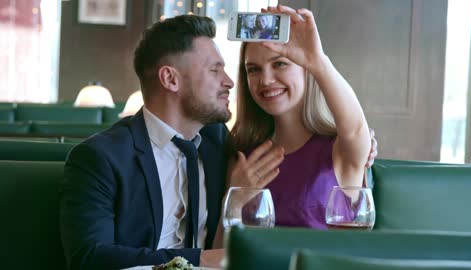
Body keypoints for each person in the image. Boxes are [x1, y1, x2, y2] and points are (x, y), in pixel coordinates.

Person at [60, 15, 263, 270]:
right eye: (215, 70)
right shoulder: (100, 157)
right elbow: (89, 257)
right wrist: (198, 259)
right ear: (170, 79)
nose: (229, 81)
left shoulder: (217, 141)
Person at [228, 5, 373, 229]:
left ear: (306, 69)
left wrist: (317, 60)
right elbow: (219, 252)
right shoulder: (243, 155)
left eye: (279, 64)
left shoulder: (339, 149)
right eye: (254, 70)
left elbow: (355, 129)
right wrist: (234, 201)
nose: (265, 80)